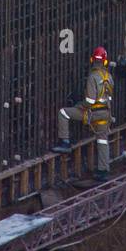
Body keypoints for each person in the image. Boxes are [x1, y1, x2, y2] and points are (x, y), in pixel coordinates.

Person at [53, 47, 114, 178]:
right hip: (105, 114)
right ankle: (103, 171)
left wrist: (80, 105)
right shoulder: (109, 77)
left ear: (92, 60)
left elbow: (90, 101)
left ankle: (65, 142)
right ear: (105, 62)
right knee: (102, 140)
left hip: (92, 113)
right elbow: (108, 98)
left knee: (63, 113)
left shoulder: (93, 77)